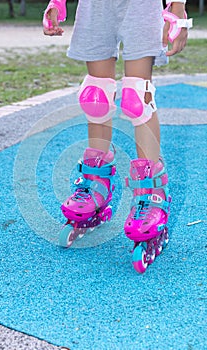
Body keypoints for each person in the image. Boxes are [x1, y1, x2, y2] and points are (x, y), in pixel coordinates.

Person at [43, 0, 192, 273]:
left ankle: (151, 196)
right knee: (96, 96)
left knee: (138, 97)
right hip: (95, 7)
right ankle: (95, 187)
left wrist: (178, 7)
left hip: (141, 7)